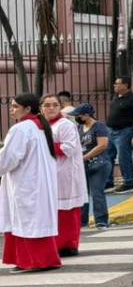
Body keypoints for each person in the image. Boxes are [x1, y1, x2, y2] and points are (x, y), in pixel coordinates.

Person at [0, 93, 60, 271]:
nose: (12, 110)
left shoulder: (21, 129)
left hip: (26, 183)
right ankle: (41, 259)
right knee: (34, 220)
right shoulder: (41, 127)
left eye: (15, 106)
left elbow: (8, 159)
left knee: (27, 221)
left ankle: (33, 260)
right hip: (38, 182)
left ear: (27, 109)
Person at [42, 94, 86, 258]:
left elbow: (68, 148)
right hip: (51, 172)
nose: (51, 108)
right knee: (54, 210)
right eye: (47, 105)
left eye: (54, 105)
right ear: (41, 108)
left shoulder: (65, 124)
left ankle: (69, 245)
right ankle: (56, 243)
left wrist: (43, 146)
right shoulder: (42, 125)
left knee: (68, 210)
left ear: (60, 107)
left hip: (66, 172)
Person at [75, 105, 112, 229]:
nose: (77, 117)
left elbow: (102, 145)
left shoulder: (99, 127)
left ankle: (101, 221)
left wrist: (85, 157)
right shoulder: (79, 127)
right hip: (83, 165)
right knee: (83, 193)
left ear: (86, 115)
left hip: (99, 164)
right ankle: (82, 221)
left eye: (78, 115)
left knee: (97, 192)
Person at [107, 76, 133, 192]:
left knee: (124, 158)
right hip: (111, 131)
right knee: (107, 157)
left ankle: (128, 183)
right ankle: (108, 182)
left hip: (125, 132)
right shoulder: (116, 97)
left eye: (117, 84)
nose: (115, 86)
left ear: (126, 85)